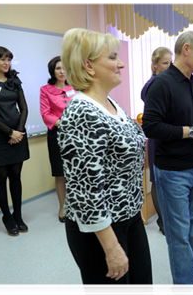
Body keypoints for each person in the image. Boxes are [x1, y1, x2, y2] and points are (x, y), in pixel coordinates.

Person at [59, 28, 153, 295]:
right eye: (113, 57)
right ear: (88, 66)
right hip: (100, 230)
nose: (121, 63)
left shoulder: (111, 104)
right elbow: (86, 191)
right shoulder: (81, 113)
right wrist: (111, 249)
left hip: (128, 218)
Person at [142, 31, 193, 295]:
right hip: (172, 171)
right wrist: (190, 131)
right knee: (178, 232)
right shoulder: (161, 84)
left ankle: (189, 275)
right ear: (186, 49)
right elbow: (151, 126)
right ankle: (183, 288)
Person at [0, 46, 30, 237]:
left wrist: (18, 131)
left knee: (16, 175)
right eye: (2, 59)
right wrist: (8, 132)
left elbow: (23, 108)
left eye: (9, 60)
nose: (6, 63)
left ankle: (18, 215)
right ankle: (7, 217)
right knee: (0, 177)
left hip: (17, 135)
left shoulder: (14, 80)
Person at [140, 47, 173, 235]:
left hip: (168, 138)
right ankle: (162, 222)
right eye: (165, 63)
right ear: (155, 65)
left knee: (166, 182)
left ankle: (168, 219)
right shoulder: (153, 85)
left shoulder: (166, 82)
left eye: (171, 63)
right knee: (157, 182)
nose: (169, 67)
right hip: (157, 139)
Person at [40, 56, 76, 223]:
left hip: (77, 134)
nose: (62, 72)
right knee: (60, 173)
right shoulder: (45, 89)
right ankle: (62, 207)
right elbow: (45, 113)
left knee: (77, 172)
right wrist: (63, 122)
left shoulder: (76, 87)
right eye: (58, 69)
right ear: (52, 71)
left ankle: (78, 206)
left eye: (64, 68)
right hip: (57, 133)